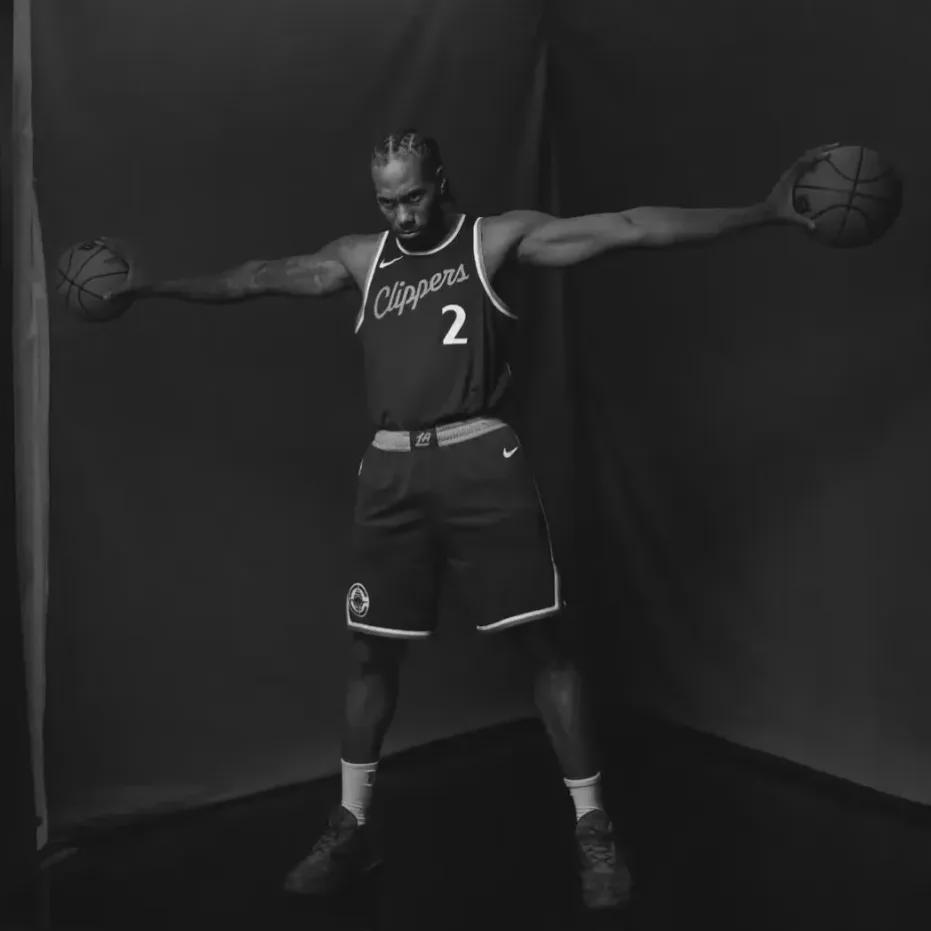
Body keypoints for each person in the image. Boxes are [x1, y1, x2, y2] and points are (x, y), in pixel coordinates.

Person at [107, 131, 830, 911]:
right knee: (369, 655)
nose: (401, 215)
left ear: (440, 180)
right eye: (386, 201)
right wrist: (149, 288)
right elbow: (256, 277)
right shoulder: (363, 257)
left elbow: (629, 226)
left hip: (481, 458)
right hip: (390, 471)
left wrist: (760, 212)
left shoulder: (492, 241)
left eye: (413, 196)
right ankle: (351, 825)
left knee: (544, 647)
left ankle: (592, 827)